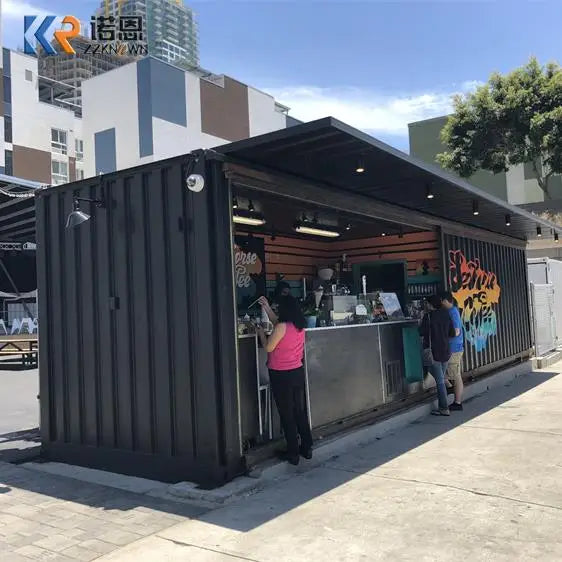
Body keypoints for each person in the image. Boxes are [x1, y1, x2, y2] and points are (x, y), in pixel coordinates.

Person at [256, 295, 313, 465]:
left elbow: (268, 347)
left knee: (286, 413)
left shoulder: (281, 327)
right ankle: (307, 447)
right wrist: (266, 306)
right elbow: (278, 324)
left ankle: (293, 453)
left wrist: (260, 333)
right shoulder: (299, 325)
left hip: (281, 374)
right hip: (296, 371)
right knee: (299, 411)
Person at [419, 294, 456, 416]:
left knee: (439, 380)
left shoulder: (428, 317)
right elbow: (451, 333)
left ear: (430, 305)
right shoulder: (446, 314)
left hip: (433, 352)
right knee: (441, 378)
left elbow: (421, 332)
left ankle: (444, 408)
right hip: (445, 350)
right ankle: (446, 396)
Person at [440, 291, 464, 411]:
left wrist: (444, 336)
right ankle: (451, 390)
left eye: (441, 301)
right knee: (451, 374)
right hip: (455, 348)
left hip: (454, 348)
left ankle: (457, 402)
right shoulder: (452, 311)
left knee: (455, 375)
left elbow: (456, 331)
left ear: (445, 300)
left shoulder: (452, 312)